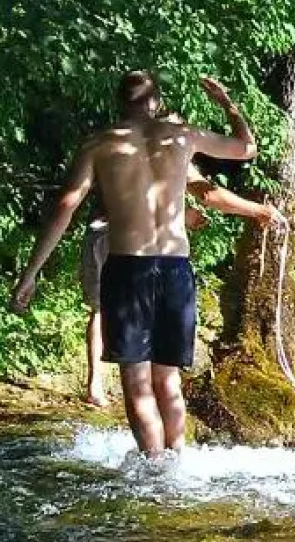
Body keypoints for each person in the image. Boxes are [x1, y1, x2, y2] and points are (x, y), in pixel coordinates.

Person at [12, 72, 278, 457]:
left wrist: (31, 272)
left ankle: (153, 471)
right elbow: (246, 149)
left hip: (128, 268)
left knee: (137, 386)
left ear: (119, 102)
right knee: (168, 382)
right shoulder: (182, 137)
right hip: (174, 268)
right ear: (156, 102)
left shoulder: (100, 143)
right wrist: (227, 103)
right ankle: (176, 465)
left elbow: (65, 207)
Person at [76, 164, 283, 406]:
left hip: (109, 235)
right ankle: (144, 388)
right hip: (123, 239)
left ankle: (100, 384)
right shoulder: (167, 148)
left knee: (102, 308)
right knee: (121, 308)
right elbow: (205, 194)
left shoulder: (118, 146)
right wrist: (257, 210)